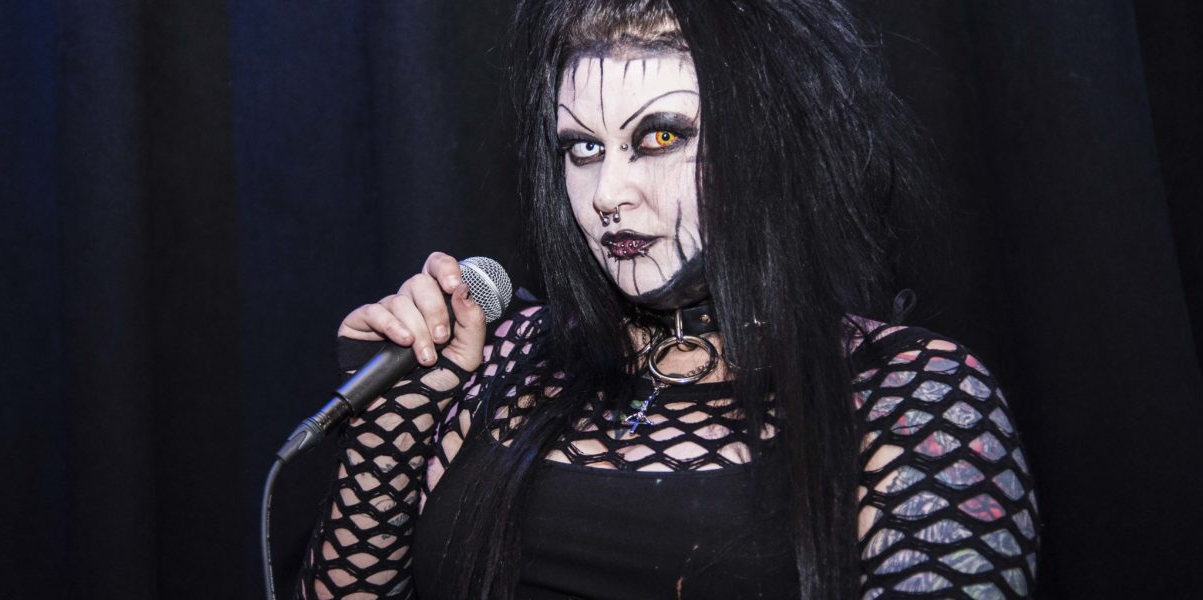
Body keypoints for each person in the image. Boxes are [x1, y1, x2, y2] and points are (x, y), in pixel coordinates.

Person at [298, 0, 1040, 598]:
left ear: (772, 142)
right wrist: (397, 419)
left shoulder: (910, 393)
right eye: (583, 148)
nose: (607, 194)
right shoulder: (503, 362)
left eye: (658, 137)